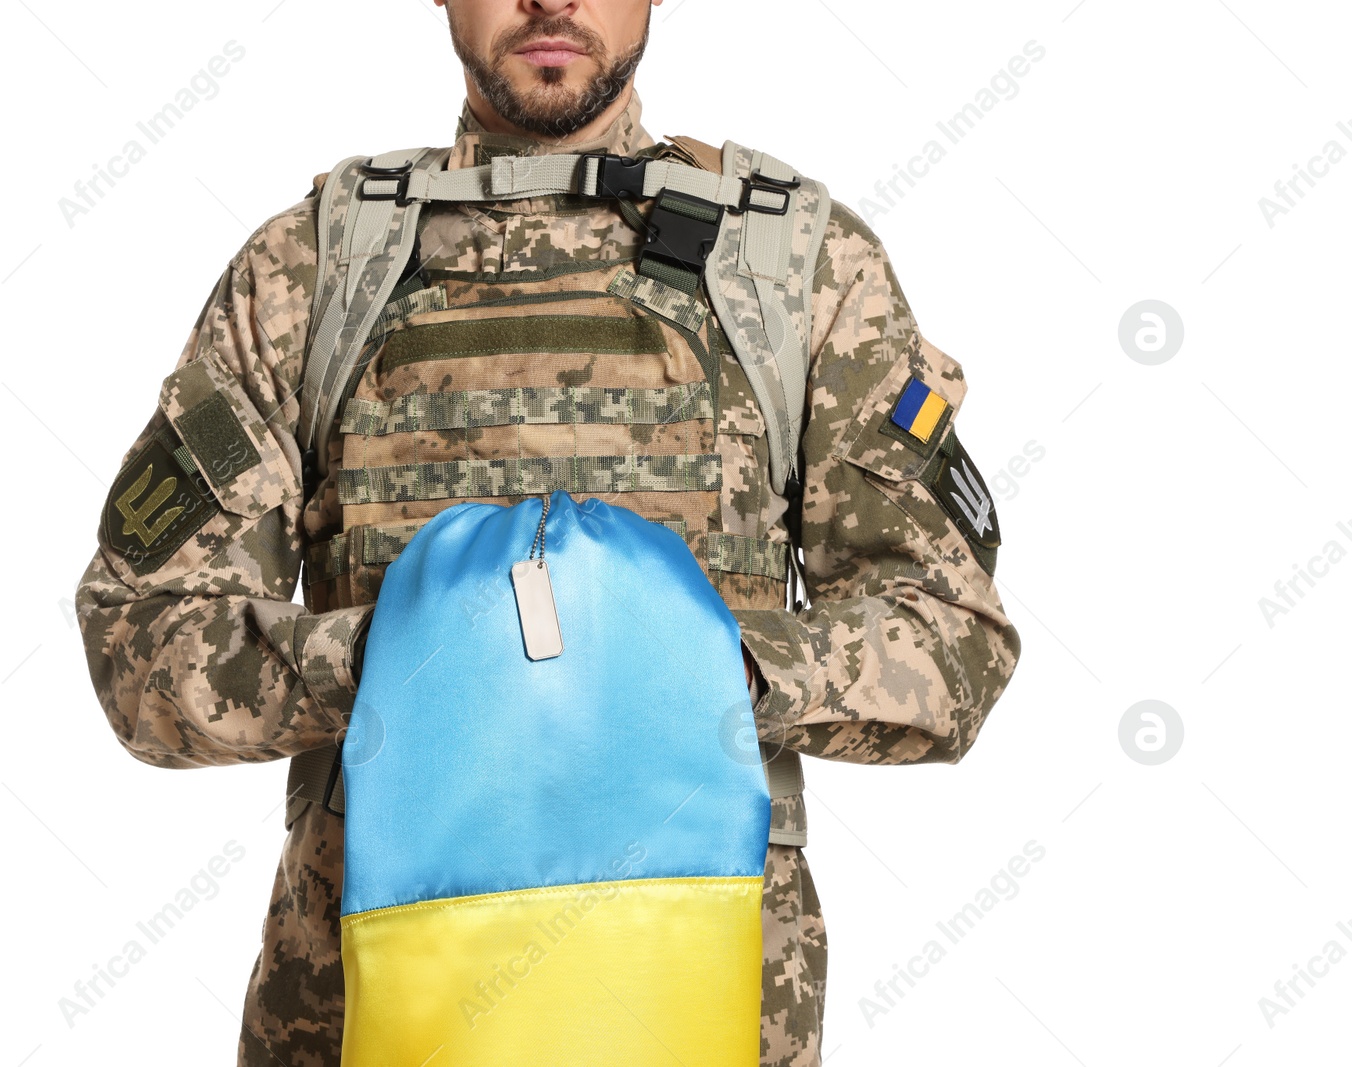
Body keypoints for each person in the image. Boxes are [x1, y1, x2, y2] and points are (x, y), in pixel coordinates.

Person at [73, 1, 1022, 1063]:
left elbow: (952, 644)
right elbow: (139, 644)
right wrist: (410, 654)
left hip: (695, 996)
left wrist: (698, 660)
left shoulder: (796, 268)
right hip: (363, 1003)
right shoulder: (312, 269)